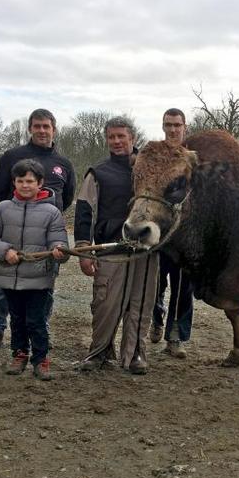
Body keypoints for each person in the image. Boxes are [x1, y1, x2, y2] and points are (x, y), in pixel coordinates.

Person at [0, 108, 75, 350]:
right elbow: (0, 191)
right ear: (30, 128)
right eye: (37, 126)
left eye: (46, 126)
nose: (42, 130)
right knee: (4, 286)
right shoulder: (12, 156)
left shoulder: (63, 163)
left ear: (54, 129)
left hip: (46, 236)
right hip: (13, 231)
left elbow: (68, 197)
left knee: (43, 288)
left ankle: (39, 333)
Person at [74, 116, 159, 374]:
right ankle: (99, 352)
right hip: (110, 249)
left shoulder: (151, 170)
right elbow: (85, 211)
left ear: (133, 138)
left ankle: (135, 354)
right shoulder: (98, 173)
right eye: (111, 137)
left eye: (121, 136)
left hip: (145, 250)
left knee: (140, 305)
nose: (116, 141)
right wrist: (83, 249)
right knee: (105, 304)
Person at [0, 159, 68, 381]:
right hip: (9, 279)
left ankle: (41, 359)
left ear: (40, 183)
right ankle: (19, 355)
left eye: (30, 181)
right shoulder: (3, 209)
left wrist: (58, 251)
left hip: (39, 280)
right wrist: (4, 251)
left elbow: (59, 242)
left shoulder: (51, 212)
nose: (25, 185)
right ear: (14, 182)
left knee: (36, 321)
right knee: (16, 320)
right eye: (20, 181)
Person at [149, 108, 195, 358]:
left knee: (182, 288)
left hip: (186, 235)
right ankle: (156, 318)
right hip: (159, 232)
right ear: (163, 126)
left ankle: (175, 338)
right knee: (155, 283)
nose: (173, 129)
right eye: (169, 124)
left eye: (178, 125)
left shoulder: (193, 157)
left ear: (184, 126)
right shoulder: (154, 155)